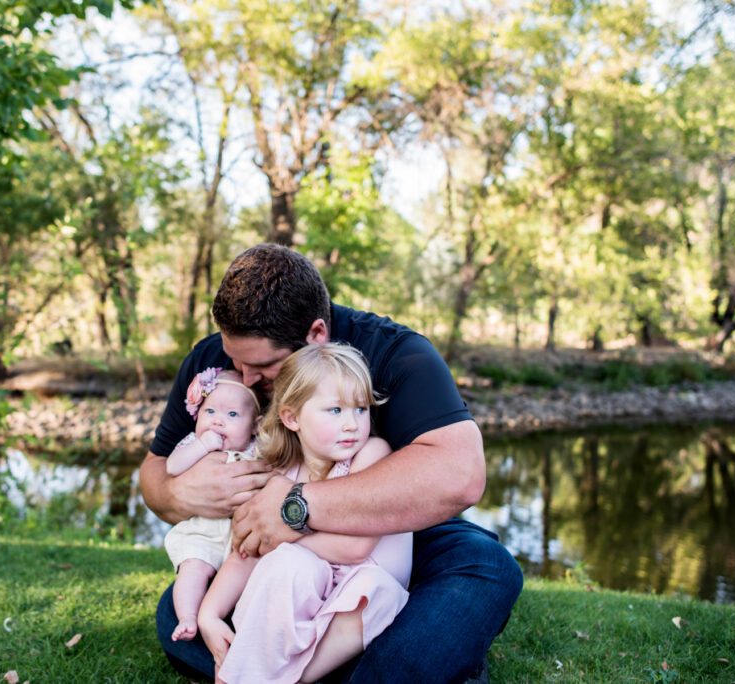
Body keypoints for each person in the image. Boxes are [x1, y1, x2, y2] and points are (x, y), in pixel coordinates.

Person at [140, 243, 523, 683]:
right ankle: (390, 659)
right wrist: (178, 492)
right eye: (235, 362)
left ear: (316, 333)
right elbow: (154, 472)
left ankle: (313, 662)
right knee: (179, 618)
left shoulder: (397, 353)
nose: (244, 379)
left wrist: (296, 509)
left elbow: (461, 476)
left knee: (486, 567)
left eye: (262, 365)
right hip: (260, 546)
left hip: (397, 535)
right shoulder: (217, 359)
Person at [197, 343, 411, 683]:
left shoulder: (371, 455)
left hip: (358, 598)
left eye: (360, 409)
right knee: (289, 566)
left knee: (370, 587)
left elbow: (355, 549)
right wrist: (209, 614)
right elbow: (247, 548)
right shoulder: (285, 473)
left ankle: (285, 677)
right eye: (335, 410)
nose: (352, 424)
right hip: (304, 592)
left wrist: (281, 536)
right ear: (292, 417)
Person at [162, 367, 261, 643]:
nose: (218, 422)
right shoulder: (194, 442)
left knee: (246, 579)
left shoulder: (257, 448)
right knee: (193, 568)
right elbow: (172, 467)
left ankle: (237, 626)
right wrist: (203, 446)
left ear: (255, 425)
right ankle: (187, 618)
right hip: (203, 532)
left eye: (232, 415)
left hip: (241, 538)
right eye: (210, 412)